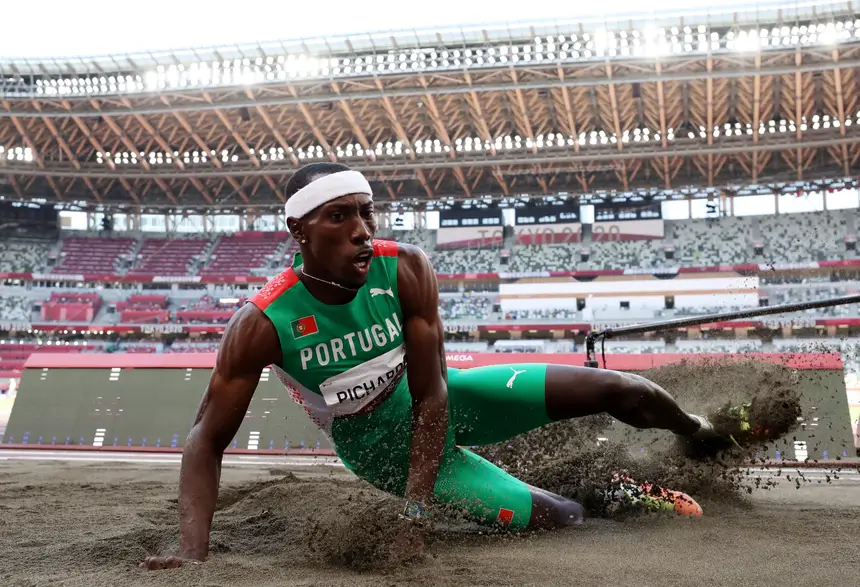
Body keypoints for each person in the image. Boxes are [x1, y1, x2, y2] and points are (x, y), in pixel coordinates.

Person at [141, 163, 744, 570]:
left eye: (366, 212)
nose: (361, 232)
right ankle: (617, 492)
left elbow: (433, 397)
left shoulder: (404, 266)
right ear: (298, 231)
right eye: (339, 218)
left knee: (622, 388)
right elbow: (205, 439)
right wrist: (192, 553)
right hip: (377, 444)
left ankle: (703, 433)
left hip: (436, 399)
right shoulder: (261, 323)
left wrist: (417, 512)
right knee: (566, 517)